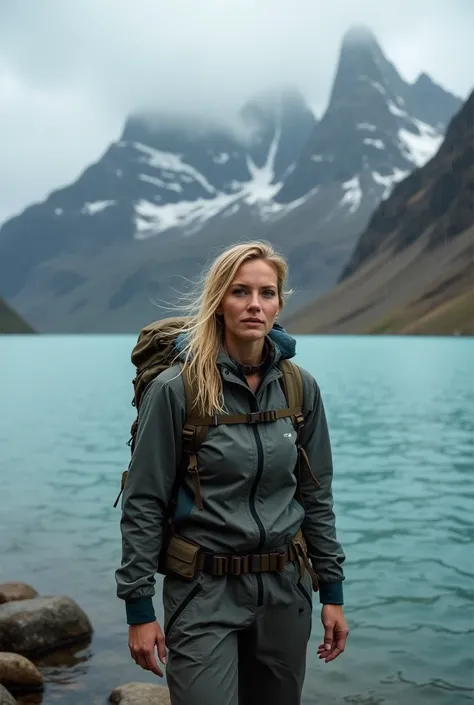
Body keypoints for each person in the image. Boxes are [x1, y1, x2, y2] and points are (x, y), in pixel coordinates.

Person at [115, 241, 348, 705]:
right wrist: (139, 608)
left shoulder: (300, 388)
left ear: (280, 302)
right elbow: (143, 502)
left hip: (286, 588)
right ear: (219, 301)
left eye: (267, 293)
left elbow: (316, 496)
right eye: (241, 292)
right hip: (203, 591)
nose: (255, 305)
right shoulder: (177, 390)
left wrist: (333, 591)